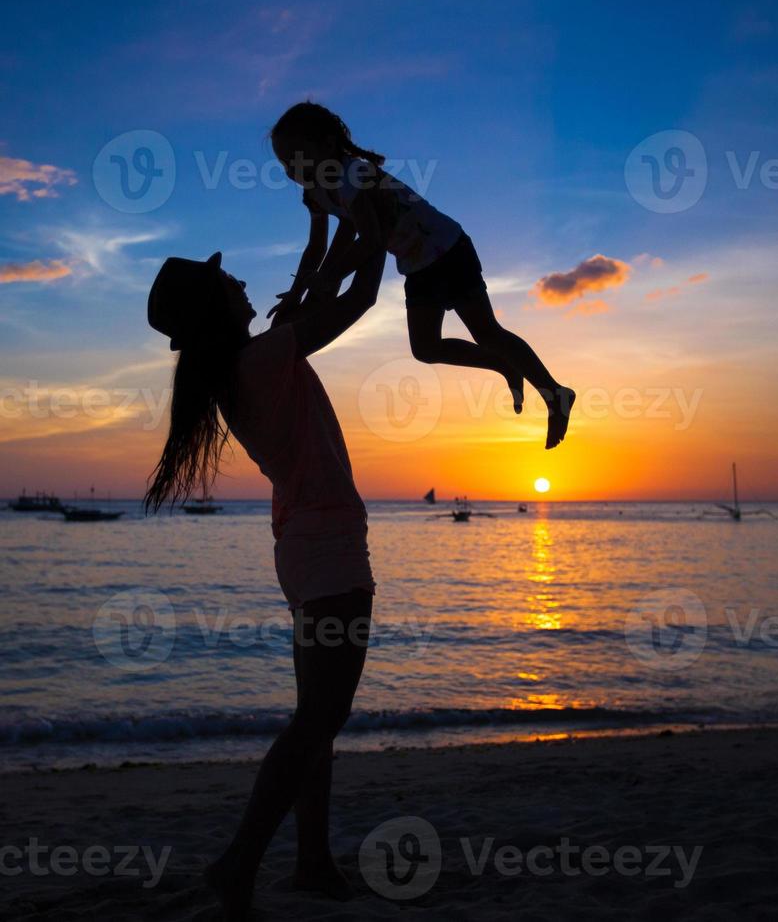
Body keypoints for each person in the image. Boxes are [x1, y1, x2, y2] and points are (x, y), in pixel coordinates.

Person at [143, 197, 386, 919]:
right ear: (219, 304)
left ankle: (312, 861)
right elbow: (363, 293)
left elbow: (314, 278)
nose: (242, 281)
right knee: (319, 720)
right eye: (228, 279)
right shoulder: (266, 357)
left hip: (303, 550)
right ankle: (240, 862)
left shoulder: (246, 363)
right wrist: (376, 214)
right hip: (329, 551)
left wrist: (328, 222)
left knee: (317, 715)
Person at [268, 101, 576, 449]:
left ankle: (556, 394)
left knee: (487, 331)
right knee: (426, 348)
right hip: (417, 264)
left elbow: (370, 238)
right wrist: (297, 295)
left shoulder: (354, 173)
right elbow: (318, 248)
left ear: (325, 144)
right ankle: (504, 365)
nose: (291, 169)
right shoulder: (314, 194)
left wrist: (327, 280)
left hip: (446, 248)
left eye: (296, 156)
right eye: (284, 163)